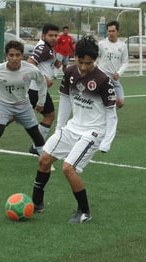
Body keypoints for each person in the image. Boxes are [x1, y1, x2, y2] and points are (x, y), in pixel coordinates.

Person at [31, 35, 118, 224]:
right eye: (81, 61)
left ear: (94, 60)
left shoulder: (103, 80)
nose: (84, 67)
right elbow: (64, 100)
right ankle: (36, 204)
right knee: (44, 160)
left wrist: (106, 142)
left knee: (68, 168)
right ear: (74, 56)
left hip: (93, 132)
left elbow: (112, 113)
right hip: (72, 128)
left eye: (89, 63)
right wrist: (60, 128)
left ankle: (84, 212)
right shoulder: (70, 72)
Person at [0, 40, 48, 172]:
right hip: (2, 105)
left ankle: (45, 162)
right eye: (11, 55)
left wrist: (41, 102)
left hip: (24, 106)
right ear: (6, 56)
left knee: (36, 134)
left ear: (22, 56)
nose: (15, 58)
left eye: (18, 55)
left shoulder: (31, 70)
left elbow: (42, 83)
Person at [27, 23, 61, 155]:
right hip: (36, 90)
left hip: (36, 89)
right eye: (50, 35)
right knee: (49, 115)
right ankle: (37, 146)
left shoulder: (48, 48)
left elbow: (51, 63)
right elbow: (30, 63)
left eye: (55, 35)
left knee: (16, 115)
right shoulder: (42, 48)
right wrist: (43, 78)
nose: (53, 38)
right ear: (43, 35)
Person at [97, 20, 129, 108]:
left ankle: (110, 112)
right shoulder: (101, 44)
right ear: (107, 32)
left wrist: (119, 73)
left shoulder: (122, 46)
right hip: (102, 78)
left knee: (121, 103)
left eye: (113, 31)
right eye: (109, 31)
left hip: (114, 79)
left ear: (117, 32)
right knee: (103, 101)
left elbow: (125, 62)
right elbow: (95, 59)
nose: (111, 33)